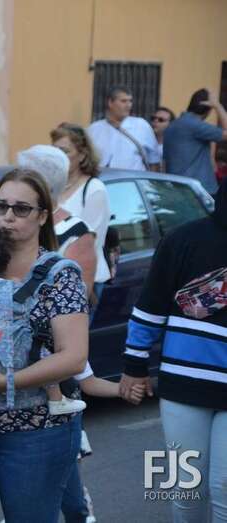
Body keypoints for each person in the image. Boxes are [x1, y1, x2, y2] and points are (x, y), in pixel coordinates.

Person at [0, 168, 89, 523]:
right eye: (1, 206)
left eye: (21, 209)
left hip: (36, 432)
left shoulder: (59, 274)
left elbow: (74, 357)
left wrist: (6, 382)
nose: (8, 216)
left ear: (43, 216)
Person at [119, 181, 227, 522]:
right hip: (184, 385)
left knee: (225, 492)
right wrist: (134, 367)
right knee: (186, 490)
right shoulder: (184, 239)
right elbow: (151, 305)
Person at [52, 123, 112, 313]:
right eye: (55, 151)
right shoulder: (53, 187)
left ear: (82, 155)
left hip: (83, 279)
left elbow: (90, 242)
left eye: (65, 151)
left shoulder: (94, 189)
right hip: (52, 277)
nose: (59, 157)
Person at [163, 88, 227, 195]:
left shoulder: (173, 125)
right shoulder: (196, 126)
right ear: (208, 110)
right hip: (198, 191)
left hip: (176, 188)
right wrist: (218, 106)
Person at [88, 86, 160, 171]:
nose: (128, 105)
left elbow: (154, 159)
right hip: (103, 177)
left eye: (130, 101)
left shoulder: (141, 125)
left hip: (134, 178)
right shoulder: (94, 129)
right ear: (110, 103)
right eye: (123, 101)